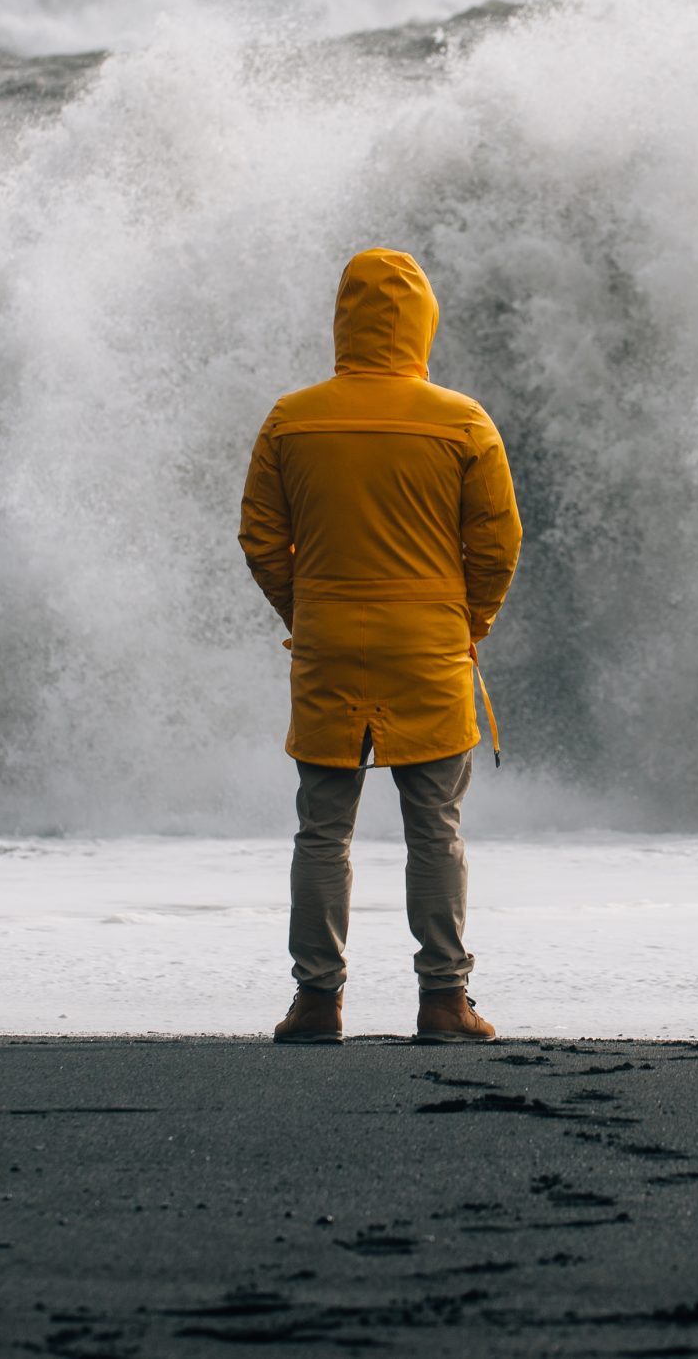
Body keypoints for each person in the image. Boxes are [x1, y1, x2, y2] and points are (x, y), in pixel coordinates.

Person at [238, 248, 522, 1045]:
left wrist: (307, 606)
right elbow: (497, 546)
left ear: (343, 321)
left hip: (328, 642)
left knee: (322, 830)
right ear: (423, 322)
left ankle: (316, 1003)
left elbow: (260, 538)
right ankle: (443, 1001)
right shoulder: (462, 420)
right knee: (435, 827)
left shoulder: (291, 419)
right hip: (429, 647)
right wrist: (473, 625)